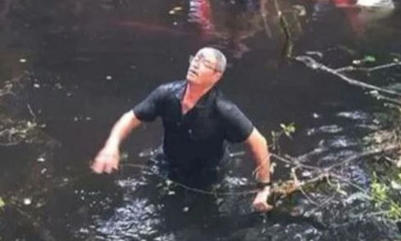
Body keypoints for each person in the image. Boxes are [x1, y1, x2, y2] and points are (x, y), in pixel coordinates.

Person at [90, 47, 273, 212]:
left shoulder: (223, 110)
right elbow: (131, 117)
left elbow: (258, 141)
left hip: (207, 175)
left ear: (216, 75)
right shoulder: (167, 94)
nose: (195, 64)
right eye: (195, 59)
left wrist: (263, 188)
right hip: (168, 163)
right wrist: (111, 145)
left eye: (204, 63)